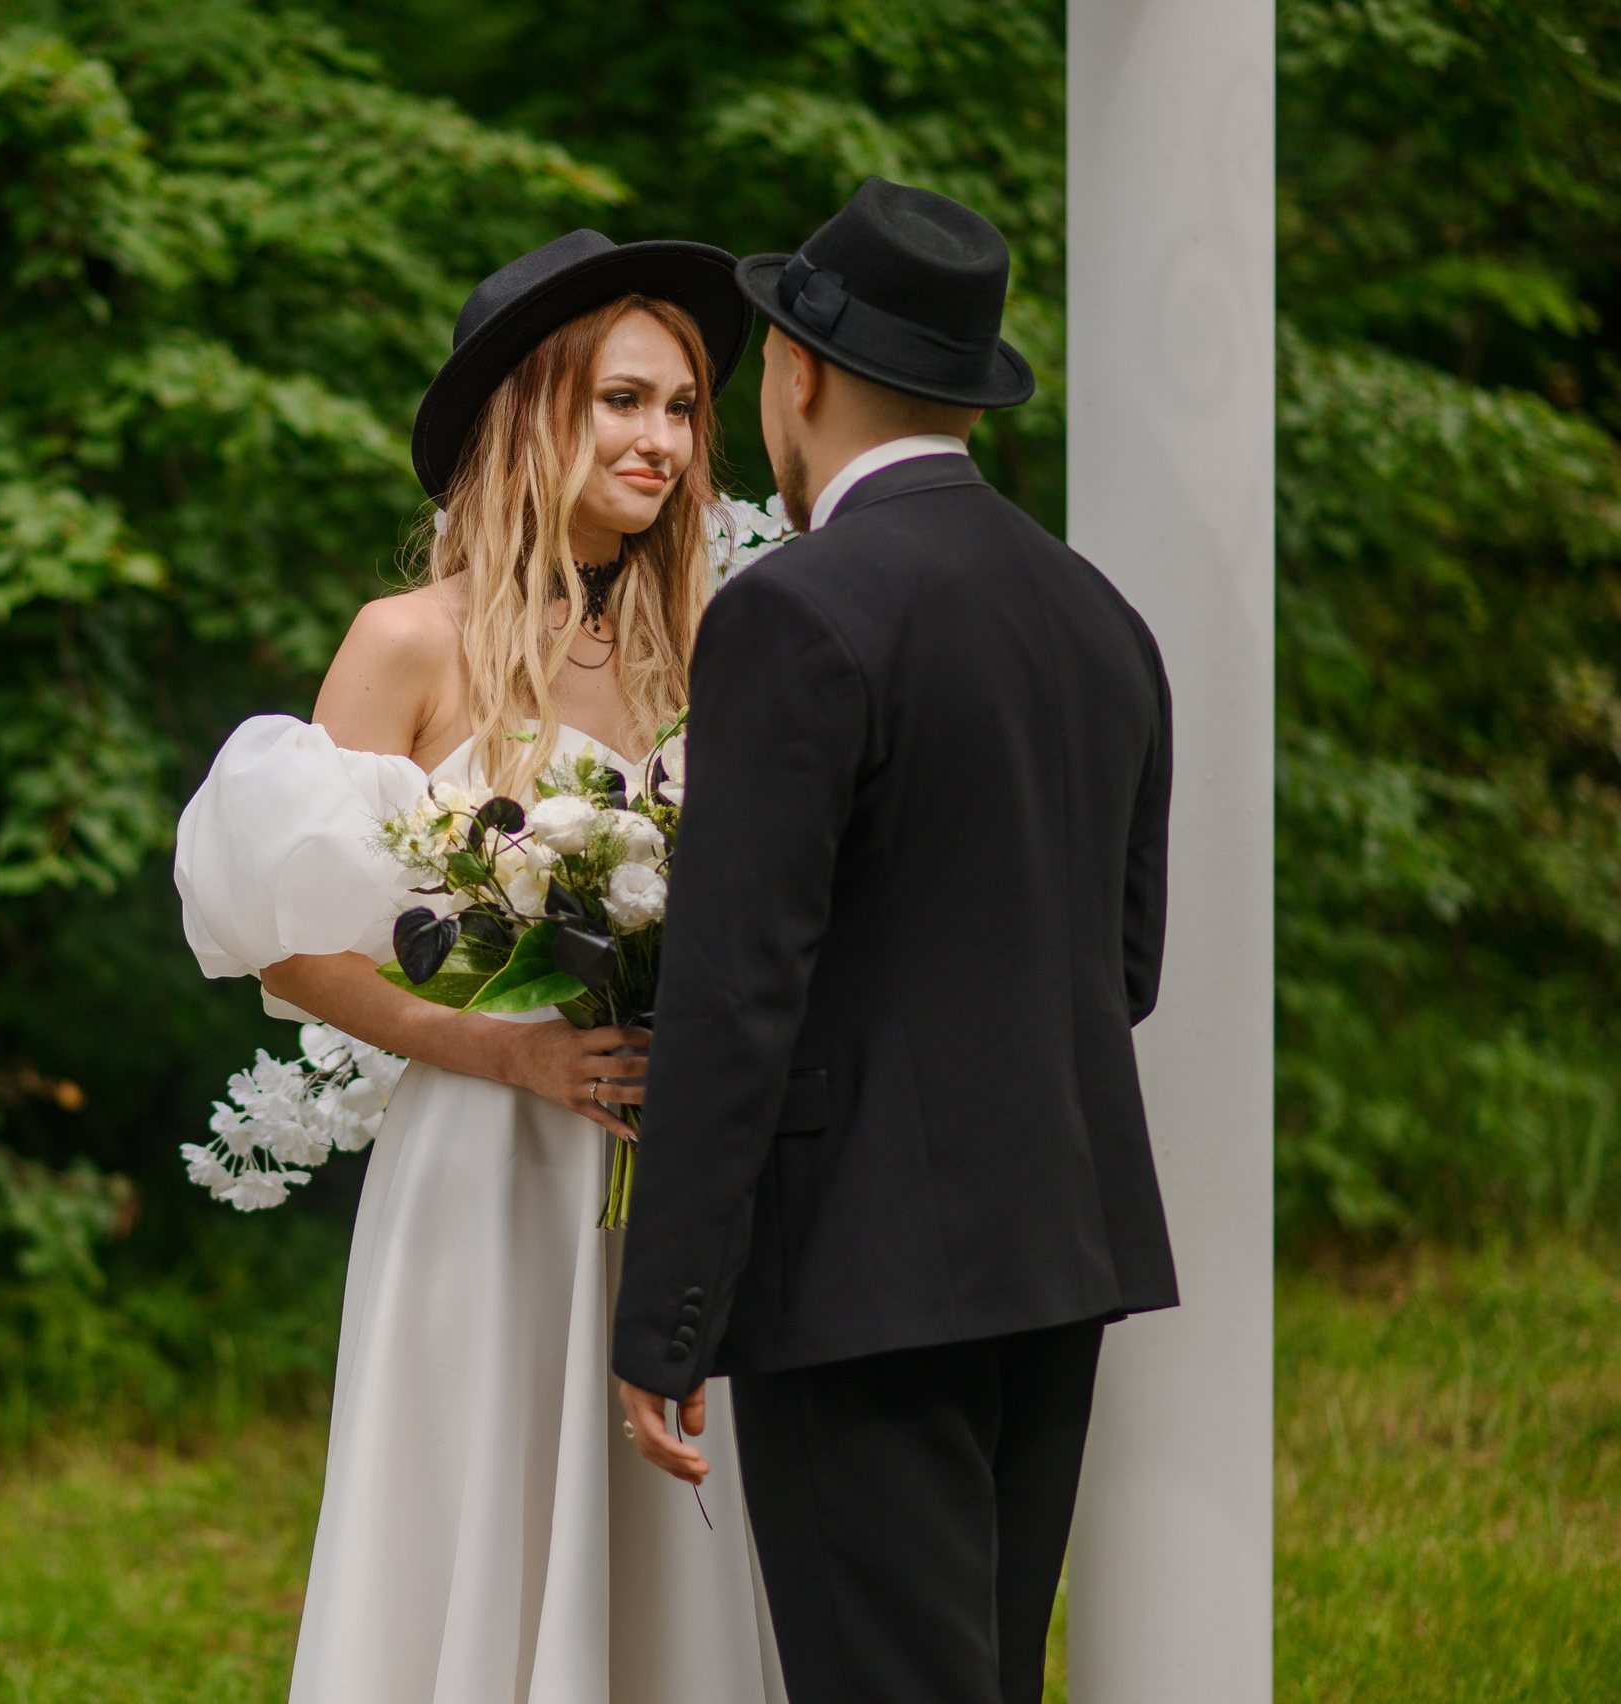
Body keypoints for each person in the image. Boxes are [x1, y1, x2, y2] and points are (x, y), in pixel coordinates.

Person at [175, 230, 786, 1703]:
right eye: (621, 402)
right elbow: (290, 949)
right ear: (533, 416)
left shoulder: (721, 645)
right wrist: (506, 1052)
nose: (661, 440)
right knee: (480, 1519)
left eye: (686, 408)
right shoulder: (409, 644)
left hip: (674, 1162)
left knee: (680, 1538)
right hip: (488, 1166)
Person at [612, 179, 1178, 1704]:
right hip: (1058, 1260)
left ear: (795, 373)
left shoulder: (797, 611)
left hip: (860, 1281)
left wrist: (665, 1320)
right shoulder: (1100, 617)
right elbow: (1126, 967)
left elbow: (739, 996)